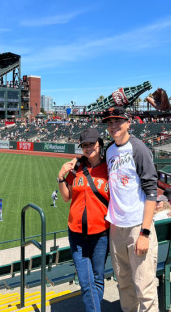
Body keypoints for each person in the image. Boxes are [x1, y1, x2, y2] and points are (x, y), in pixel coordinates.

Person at [102, 106, 158, 312]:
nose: (113, 126)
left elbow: (152, 191)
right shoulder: (109, 150)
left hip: (137, 227)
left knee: (145, 288)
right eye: (109, 122)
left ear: (128, 123)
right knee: (124, 284)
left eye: (117, 121)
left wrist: (145, 232)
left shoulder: (138, 148)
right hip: (116, 228)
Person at [57, 128, 110, 312]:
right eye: (84, 145)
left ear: (100, 144)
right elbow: (66, 197)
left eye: (91, 144)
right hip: (77, 233)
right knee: (86, 283)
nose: (88, 148)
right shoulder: (78, 167)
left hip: (101, 233)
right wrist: (61, 177)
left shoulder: (109, 168)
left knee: (97, 279)